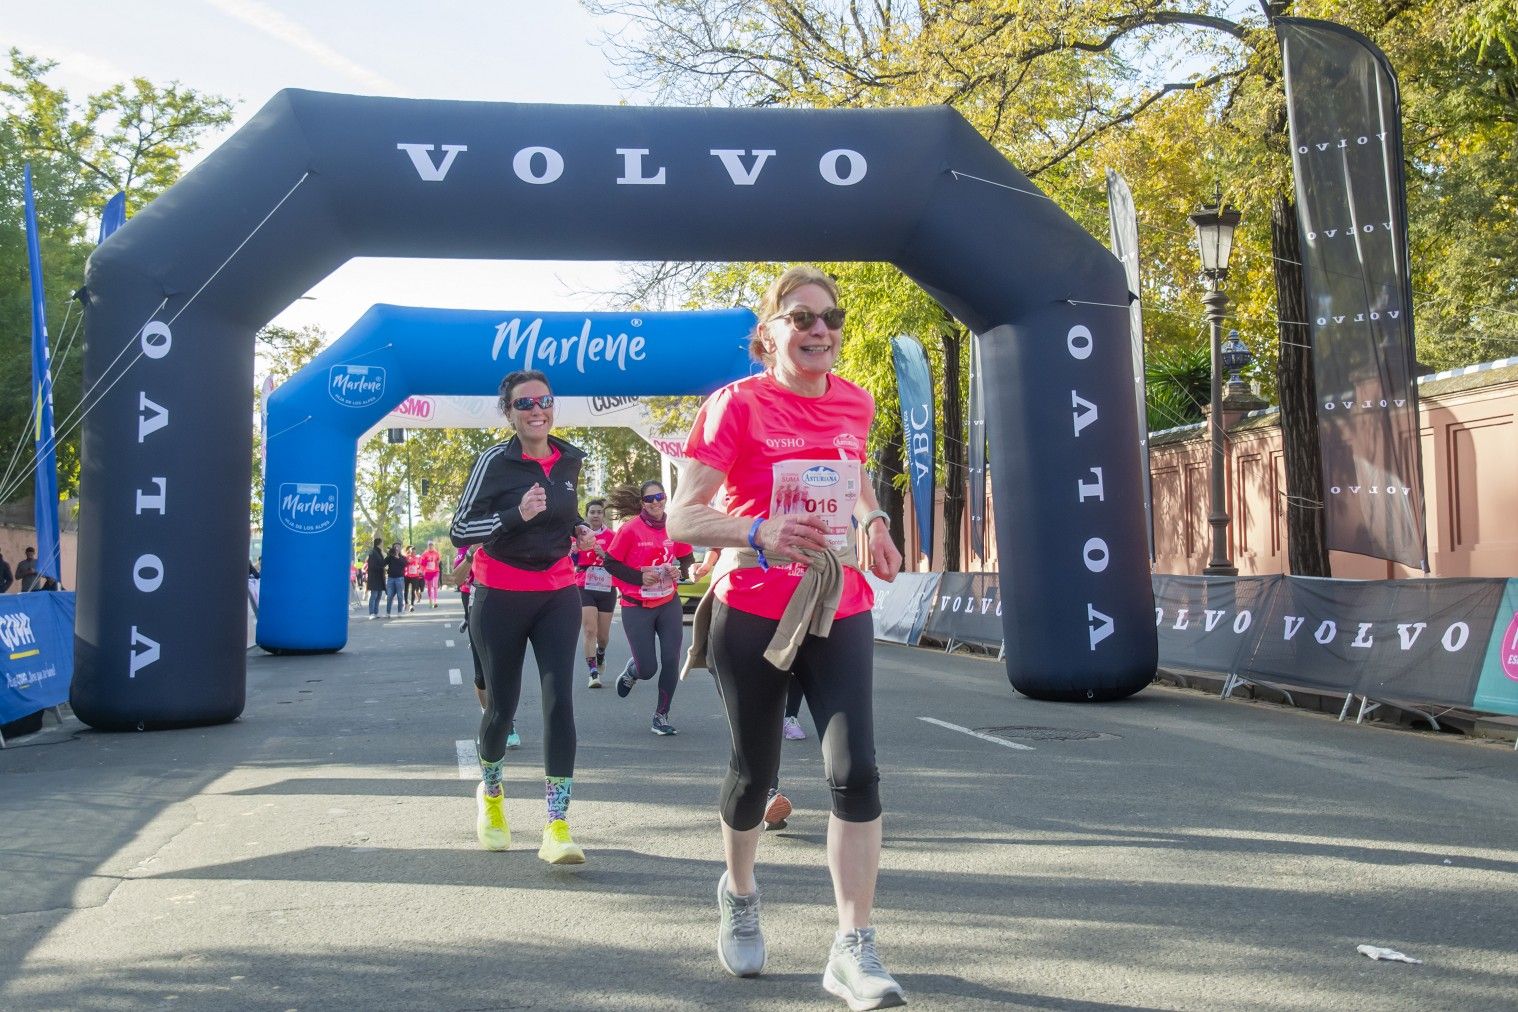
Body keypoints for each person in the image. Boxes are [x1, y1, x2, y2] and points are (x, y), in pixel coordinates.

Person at [669, 265, 906, 1009]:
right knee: (755, 773)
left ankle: (853, 947)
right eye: (801, 318)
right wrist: (759, 529)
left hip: (839, 597)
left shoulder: (856, 402)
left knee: (855, 769)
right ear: (768, 331)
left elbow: (856, 479)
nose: (820, 331)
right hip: (755, 602)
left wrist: (873, 522)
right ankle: (739, 890)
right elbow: (682, 517)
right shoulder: (735, 406)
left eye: (831, 318)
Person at [450, 369, 596, 865]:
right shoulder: (494, 461)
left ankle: (556, 826)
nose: (536, 411)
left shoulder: (571, 458)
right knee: (502, 710)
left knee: (560, 706)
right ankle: (491, 798)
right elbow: (460, 530)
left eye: (544, 401)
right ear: (509, 413)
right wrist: (516, 515)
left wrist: (579, 530)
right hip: (501, 593)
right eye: (524, 404)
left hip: (557, 590)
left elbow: (566, 511)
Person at [599, 481, 694, 735]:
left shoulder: (673, 527)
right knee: (648, 669)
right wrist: (639, 578)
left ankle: (661, 716)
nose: (655, 502)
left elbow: (686, 557)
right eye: (649, 499)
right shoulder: (630, 530)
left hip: (668, 602)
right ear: (642, 503)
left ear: (665, 499)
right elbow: (611, 563)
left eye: (659, 497)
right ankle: (633, 670)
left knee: (672, 660)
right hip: (636, 605)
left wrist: (679, 571)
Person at [454, 543, 519, 747]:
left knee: (504, 669)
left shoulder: (510, 531)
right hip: (479, 602)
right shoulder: (468, 543)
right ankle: (489, 715)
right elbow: (455, 578)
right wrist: (472, 552)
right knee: (482, 676)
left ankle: (506, 723)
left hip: (508, 601)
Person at [572, 498, 617, 688]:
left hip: (606, 586)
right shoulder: (577, 537)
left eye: (599, 512)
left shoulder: (613, 536)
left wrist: (604, 555)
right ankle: (592, 673)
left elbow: (619, 562)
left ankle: (601, 654)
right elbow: (571, 562)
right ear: (587, 515)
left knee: (603, 637)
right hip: (584, 584)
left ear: (603, 515)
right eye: (592, 512)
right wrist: (573, 552)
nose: (596, 515)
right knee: (589, 630)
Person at [364, 538, 386, 620]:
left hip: (379, 577)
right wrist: (381, 568)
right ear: (379, 543)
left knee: (379, 595)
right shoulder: (372, 552)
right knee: (374, 595)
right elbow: (372, 565)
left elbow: (381, 562)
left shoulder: (379, 552)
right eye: (382, 543)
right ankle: (371, 613)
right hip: (374, 577)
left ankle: (375, 612)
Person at [384, 543, 407, 616]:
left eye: (398, 547)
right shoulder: (390, 557)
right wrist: (389, 555)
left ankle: (399, 612)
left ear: (400, 548)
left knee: (400, 596)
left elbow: (404, 564)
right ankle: (388, 612)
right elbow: (383, 563)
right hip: (390, 578)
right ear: (393, 548)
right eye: (395, 547)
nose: (397, 548)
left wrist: (397, 557)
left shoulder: (402, 557)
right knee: (389, 596)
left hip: (399, 578)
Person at [421, 540, 442, 608]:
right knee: (429, 588)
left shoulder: (436, 553)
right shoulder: (425, 554)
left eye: (432, 545)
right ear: (428, 546)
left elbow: (439, 560)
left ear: (433, 546)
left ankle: (435, 601)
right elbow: (422, 564)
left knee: (435, 586)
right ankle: (430, 599)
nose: (430, 546)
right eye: (429, 545)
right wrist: (423, 570)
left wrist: (438, 561)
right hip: (428, 572)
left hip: (435, 571)